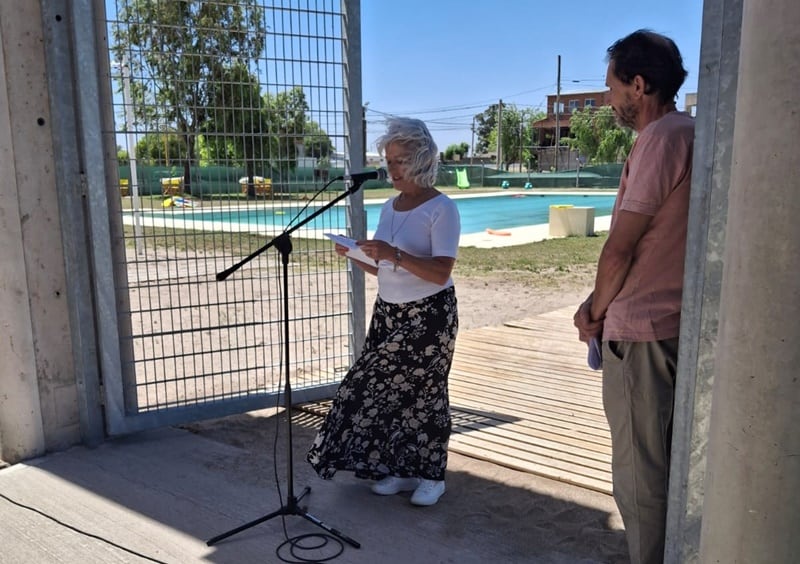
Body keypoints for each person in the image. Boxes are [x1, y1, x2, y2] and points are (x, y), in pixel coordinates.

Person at [573, 30, 694, 564]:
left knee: (641, 477)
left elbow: (621, 249)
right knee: (666, 465)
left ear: (638, 85)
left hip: (642, 334)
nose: (607, 100)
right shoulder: (691, 132)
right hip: (672, 322)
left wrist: (593, 313)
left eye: (611, 88)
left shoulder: (661, 139)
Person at [307, 117, 460, 507]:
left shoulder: (442, 209)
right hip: (389, 312)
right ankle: (399, 469)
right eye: (388, 160)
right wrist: (357, 255)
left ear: (422, 159)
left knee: (424, 393)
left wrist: (392, 253)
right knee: (394, 394)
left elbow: (441, 270)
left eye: (399, 160)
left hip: (429, 315)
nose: (391, 168)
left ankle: (431, 475)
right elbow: (387, 268)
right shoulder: (390, 207)